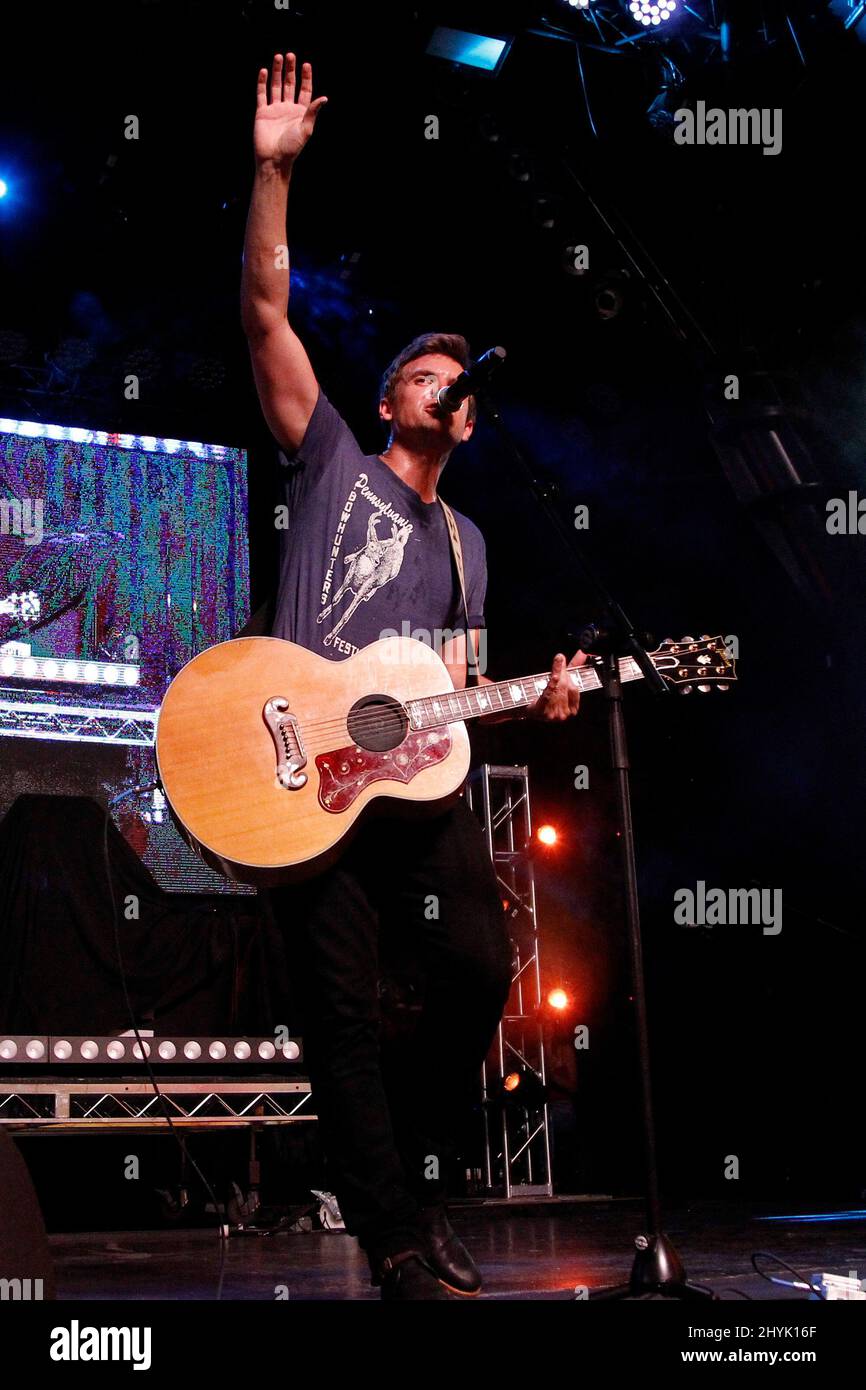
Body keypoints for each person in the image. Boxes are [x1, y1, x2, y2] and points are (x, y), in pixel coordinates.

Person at [240, 53, 583, 1300]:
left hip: (407, 778)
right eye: (430, 373)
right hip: (295, 769)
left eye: (461, 384)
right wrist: (273, 174)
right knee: (332, 1003)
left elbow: (460, 687)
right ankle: (389, 1230)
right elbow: (270, 318)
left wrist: (533, 706)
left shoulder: (466, 544)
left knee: (476, 962)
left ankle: (416, 1185)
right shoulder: (330, 456)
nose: (452, 388)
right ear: (392, 398)